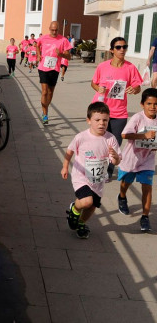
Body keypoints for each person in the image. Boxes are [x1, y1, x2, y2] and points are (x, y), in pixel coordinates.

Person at [62, 102, 121, 239]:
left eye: (105, 120)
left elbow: (116, 161)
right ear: (89, 121)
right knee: (86, 201)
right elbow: (70, 151)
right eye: (97, 120)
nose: (101, 123)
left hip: (98, 179)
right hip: (81, 176)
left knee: (92, 205)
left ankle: (81, 223)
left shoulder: (110, 139)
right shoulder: (81, 137)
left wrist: (116, 157)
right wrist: (65, 166)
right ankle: (74, 210)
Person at [91, 36, 142, 179]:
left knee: (116, 141)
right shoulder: (103, 66)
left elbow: (137, 86)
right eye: (118, 47)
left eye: (124, 47)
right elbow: (93, 83)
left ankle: (109, 169)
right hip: (101, 110)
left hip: (120, 112)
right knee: (99, 140)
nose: (122, 50)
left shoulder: (130, 67)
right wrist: (98, 89)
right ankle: (97, 167)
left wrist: (134, 89)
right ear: (112, 50)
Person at [116, 88, 157, 231]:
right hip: (131, 158)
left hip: (148, 160)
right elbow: (124, 135)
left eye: (155, 104)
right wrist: (143, 136)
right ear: (142, 104)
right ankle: (122, 197)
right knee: (126, 182)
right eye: (149, 104)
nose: (152, 107)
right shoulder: (137, 118)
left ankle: (145, 217)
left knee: (147, 187)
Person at [36, 21, 72, 124]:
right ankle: (45, 114)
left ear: (58, 29)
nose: (54, 32)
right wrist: (38, 55)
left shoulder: (63, 40)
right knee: (44, 91)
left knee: (51, 92)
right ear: (49, 28)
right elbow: (37, 45)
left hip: (55, 69)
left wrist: (61, 54)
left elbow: (69, 56)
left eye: (56, 30)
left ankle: (45, 108)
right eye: (52, 30)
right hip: (43, 67)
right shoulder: (43, 38)